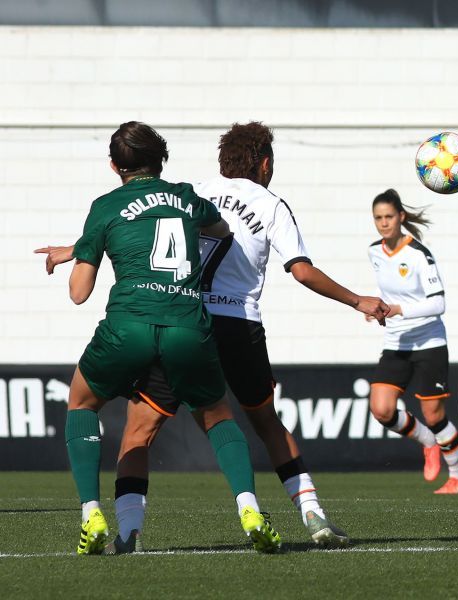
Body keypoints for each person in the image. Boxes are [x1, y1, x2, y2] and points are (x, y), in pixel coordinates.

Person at [91, 121, 388, 553]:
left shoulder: (189, 191)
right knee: (266, 422)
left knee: (140, 430)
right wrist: (356, 299)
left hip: (184, 320)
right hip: (239, 325)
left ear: (222, 162)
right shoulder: (271, 204)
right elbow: (301, 270)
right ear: (265, 163)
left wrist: (76, 249)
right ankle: (312, 514)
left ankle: (129, 531)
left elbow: (132, 228)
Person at [35, 121, 281, 554]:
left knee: (82, 401)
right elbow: (220, 230)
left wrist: (84, 249)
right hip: (188, 326)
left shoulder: (105, 206)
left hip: (128, 325)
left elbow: (79, 294)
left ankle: (91, 513)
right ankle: (249, 508)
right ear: (161, 158)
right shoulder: (187, 197)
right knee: (218, 418)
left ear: (114, 166)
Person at [366, 189, 458, 494]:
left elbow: (438, 304)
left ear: (401, 217)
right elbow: (389, 293)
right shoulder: (374, 252)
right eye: (378, 218)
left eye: (388, 216)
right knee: (382, 410)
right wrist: (378, 309)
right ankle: (428, 442)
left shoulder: (419, 255)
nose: (383, 223)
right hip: (396, 341)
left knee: (434, 414)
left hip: (429, 342)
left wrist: (399, 309)